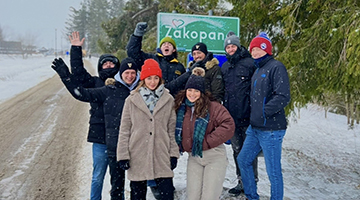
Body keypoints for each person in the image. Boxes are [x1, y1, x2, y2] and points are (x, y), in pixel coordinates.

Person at [51, 55, 140, 200]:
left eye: (132, 73)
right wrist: (66, 76)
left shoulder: (139, 91)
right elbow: (82, 93)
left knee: (134, 181)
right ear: (121, 74)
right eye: (126, 73)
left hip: (130, 143)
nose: (130, 76)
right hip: (105, 140)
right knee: (105, 178)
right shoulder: (107, 89)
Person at [67, 31, 120, 200]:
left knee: (118, 178)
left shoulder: (124, 85)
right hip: (100, 138)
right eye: (105, 64)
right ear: (100, 67)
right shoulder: (94, 83)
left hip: (119, 138)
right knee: (98, 176)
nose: (109, 66)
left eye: (112, 63)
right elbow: (79, 73)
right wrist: (76, 49)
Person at [237, 32, 291, 200]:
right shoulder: (258, 69)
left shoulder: (276, 67)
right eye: (252, 49)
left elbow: (283, 96)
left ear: (266, 50)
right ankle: (252, 196)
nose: (255, 52)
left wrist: (263, 112)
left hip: (272, 129)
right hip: (255, 128)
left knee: (273, 171)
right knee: (243, 160)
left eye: (258, 49)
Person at [117, 58, 179, 200]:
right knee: (137, 195)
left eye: (156, 78)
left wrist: (173, 154)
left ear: (160, 79)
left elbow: (171, 130)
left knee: (167, 195)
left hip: (161, 154)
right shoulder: (132, 100)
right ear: (143, 79)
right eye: (149, 78)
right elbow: (125, 130)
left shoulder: (168, 100)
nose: (152, 82)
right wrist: (123, 156)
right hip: (138, 154)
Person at [173, 67, 235, 200]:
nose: (192, 94)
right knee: (193, 196)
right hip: (194, 157)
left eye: (196, 91)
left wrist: (206, 142)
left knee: (209, 196)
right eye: (190, 90)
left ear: (202, 92)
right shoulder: (180, 108)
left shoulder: (213, 107)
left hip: (214, 157)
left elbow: (228, 125)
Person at [221, 31, 258, 196]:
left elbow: (258, 89)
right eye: (228, 47)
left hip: (248, 116)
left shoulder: (250, 63)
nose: (230, 49)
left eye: (233, 46)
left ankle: (251, 182)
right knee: (237, 150)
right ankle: (241, 181)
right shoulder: (225, 67)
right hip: (232, 118)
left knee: (249, 151)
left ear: (238, 46)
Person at [127, 22, 189, 97]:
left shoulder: (179, 67)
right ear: (160, 48)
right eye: (164, 44)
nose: (166, 45)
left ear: (174, 50)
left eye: (169, 44)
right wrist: (138, 34)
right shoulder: (151, 59)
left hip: (171, 102)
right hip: (151, 99)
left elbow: (183, 87)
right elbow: (133, 53)